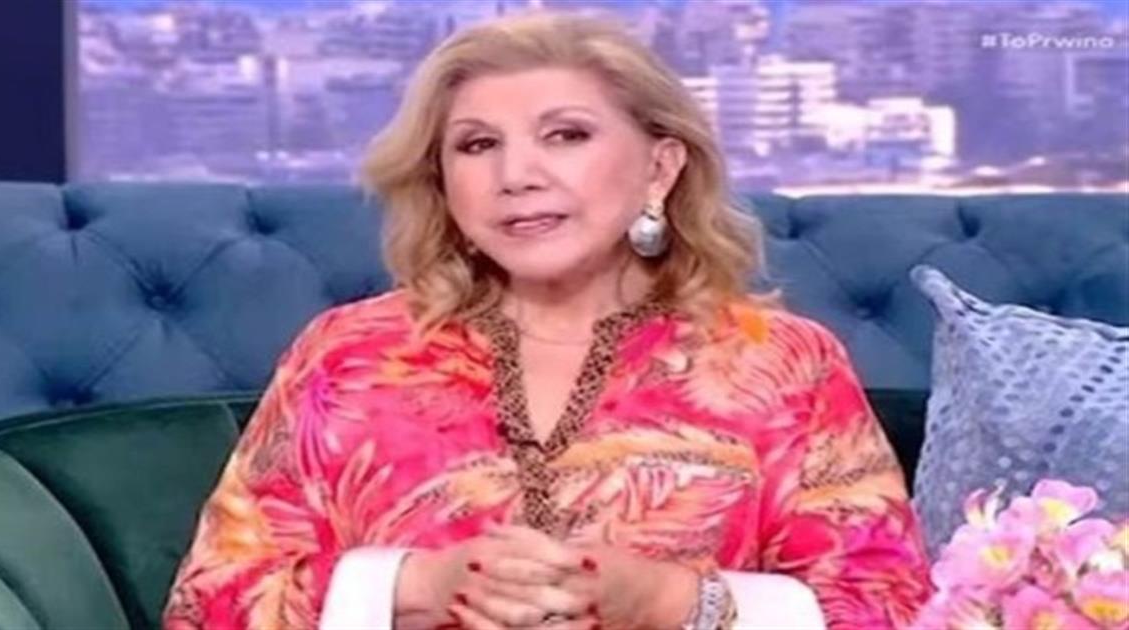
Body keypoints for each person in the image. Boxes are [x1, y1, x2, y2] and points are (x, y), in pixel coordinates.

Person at [163, 11, 931, 630]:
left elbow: (893, 611)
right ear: (444, 183)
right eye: (477, 145)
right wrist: (410, 589)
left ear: (660, 168)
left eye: (566, 135)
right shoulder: (349, 355)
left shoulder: (782, 361)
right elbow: (209, 605)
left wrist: (673, 603)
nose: (516, 175)